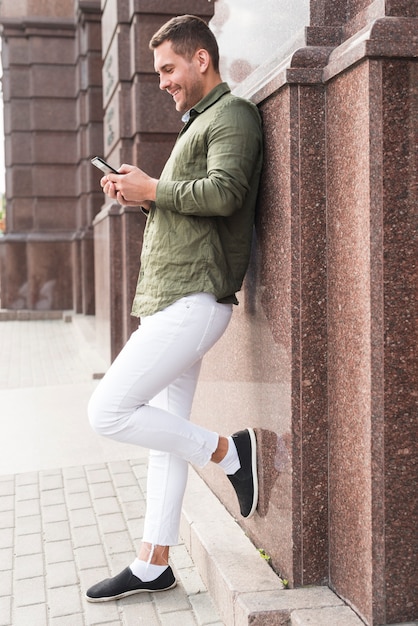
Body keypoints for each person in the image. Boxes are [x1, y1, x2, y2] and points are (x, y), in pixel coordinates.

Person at [85, 14, 263, 602]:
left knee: (107, 409)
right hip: (171, 296)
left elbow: (226, 191)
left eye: (168, 68)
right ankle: (152, 561)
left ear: (201, 60)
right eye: (158, 70)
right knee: (164, 436)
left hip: (194, 299)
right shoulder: (200, 123)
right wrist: (140, 193)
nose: (162, 80)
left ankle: (228, 450)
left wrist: (153, 188)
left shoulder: (231, 115)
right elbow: (189, 203)